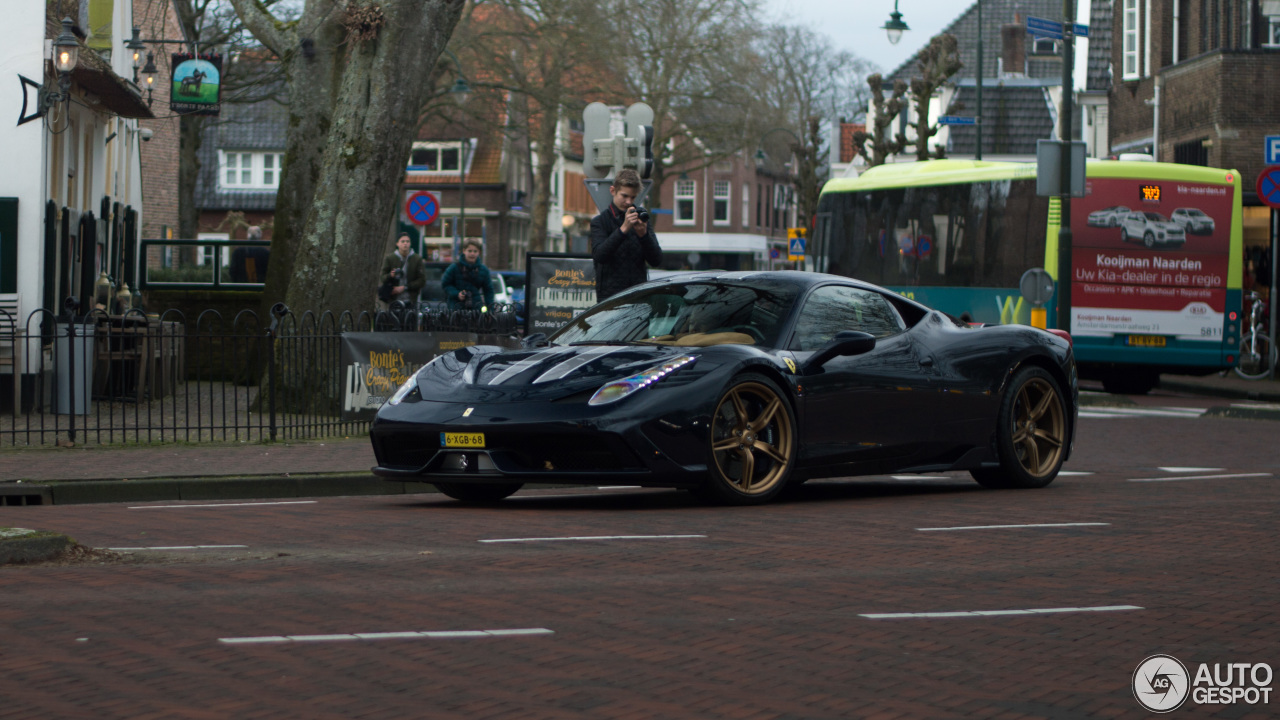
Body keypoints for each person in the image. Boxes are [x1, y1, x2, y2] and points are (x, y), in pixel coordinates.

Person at [590, 168, 663, 302]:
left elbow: (656, 260)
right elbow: (599, 255)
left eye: (633, 197)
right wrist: (623, 229)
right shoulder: (600, 222)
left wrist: (643, 235)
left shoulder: (642, 220)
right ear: (613, 191)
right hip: (610, 299)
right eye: (624, 196)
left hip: (638, 297)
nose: (629, 202)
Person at [441, 239, 495, 311]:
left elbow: (488, 290)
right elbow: (445, 284)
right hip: (456, 307)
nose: (472, 254)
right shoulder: (454, 268)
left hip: (476, 307)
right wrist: (457, 294)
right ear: (464, 251)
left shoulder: (483, 270)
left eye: (475, 251)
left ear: (479, 252)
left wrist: (490, 309)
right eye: (469, 251)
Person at [377, 234, 425, 311]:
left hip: (410, 299)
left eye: (407, 241)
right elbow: (383, 277)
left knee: (409, 320)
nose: (405, 244)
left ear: (410, 243)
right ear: (397, 243)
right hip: (393, 299)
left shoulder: (417, 259)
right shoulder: (390, 258)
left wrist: (405, 287)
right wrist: (391, 275)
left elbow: (422, 280)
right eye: (402, 241)